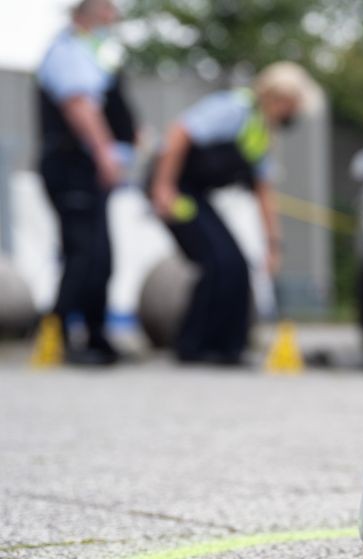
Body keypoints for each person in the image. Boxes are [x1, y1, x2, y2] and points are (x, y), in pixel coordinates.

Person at [148, 62, 322, 365]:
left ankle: (229, 348)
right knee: (218, 261)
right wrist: (163, 187)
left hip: (197, 195)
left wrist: (273, 245)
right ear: (278, 97)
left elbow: (263, 191)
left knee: (236, 265)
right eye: (292, 107)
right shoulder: (233, 109)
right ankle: (192, 347)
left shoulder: (261, 131)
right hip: (177, 190)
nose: (292, 116)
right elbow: (179, 134)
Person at [36, 0, 135, 365]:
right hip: (72, 164)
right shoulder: (68, 51)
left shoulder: (92, 53)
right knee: (82, 254)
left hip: (87, 167)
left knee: (100, 257)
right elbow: (79, 105)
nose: (111, 20)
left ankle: (96, 337)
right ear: (83, 15)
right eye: (105, 13)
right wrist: (105, 152)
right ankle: (57, 336)